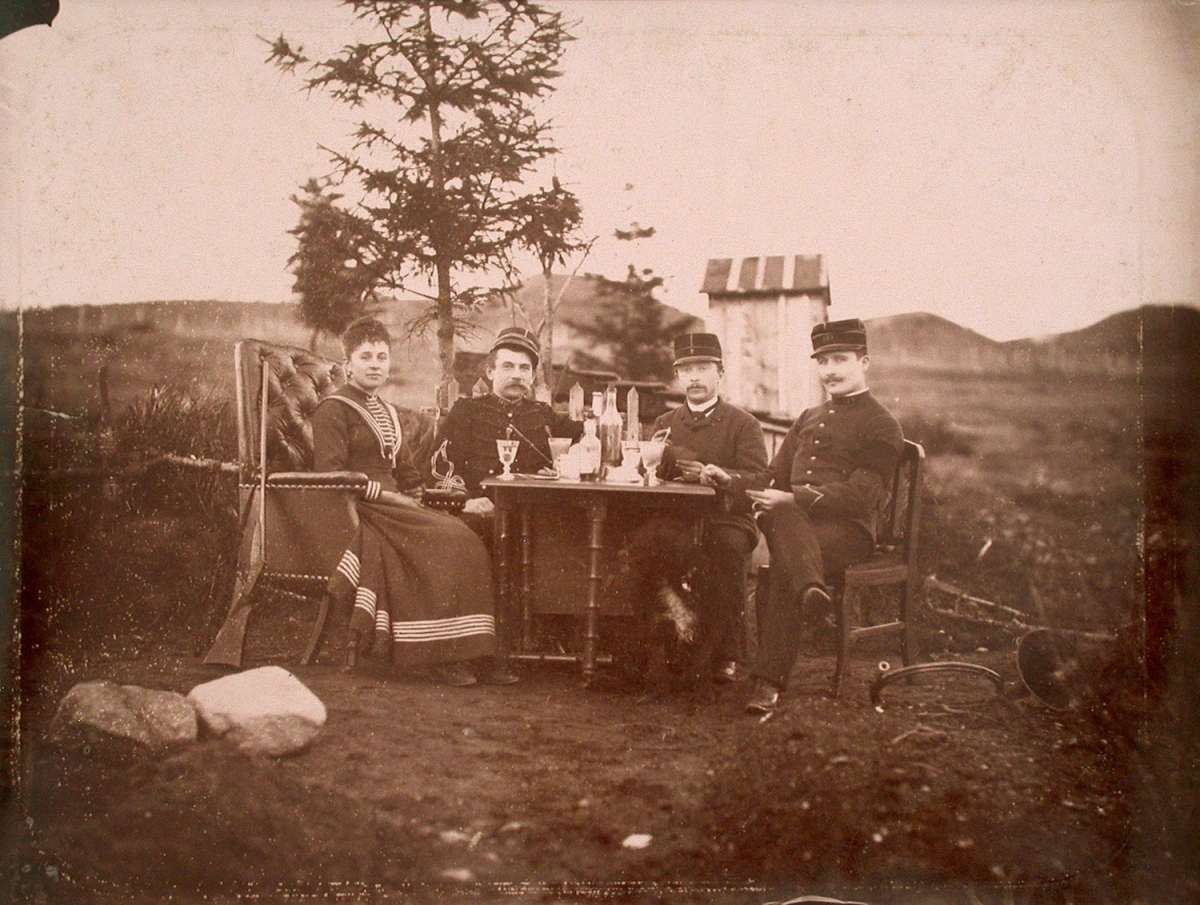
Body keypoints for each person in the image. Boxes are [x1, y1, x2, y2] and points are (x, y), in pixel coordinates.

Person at [311, 316, 516, 687]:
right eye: (366, 357)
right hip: (361, 508)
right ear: (347, 365)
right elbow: (331, 475)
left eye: (382, 357)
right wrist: (389, 497)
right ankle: (432, 656)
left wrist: (420, 497)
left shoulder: (387, 410)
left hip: (397, 506)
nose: (376, 364)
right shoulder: (333, 410)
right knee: (448, 541)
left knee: (462, 533)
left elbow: (406, 471)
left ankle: (471, 651)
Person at [744, 318, 904, 714]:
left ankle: (768, 683)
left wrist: (792, 498)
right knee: (782, 522)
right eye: (824, 361)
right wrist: (726, 478)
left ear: (863, 362)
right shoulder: (808, 417)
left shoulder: (882, 424)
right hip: (795, 529)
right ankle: (809, 592)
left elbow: (862, 497)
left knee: (784, 541)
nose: (830, 370)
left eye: (840, 360)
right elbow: (771, 478)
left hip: (848, 533)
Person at [633, 332, 770, 683]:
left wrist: (721, 478)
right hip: (675, 517)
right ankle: (653, 643)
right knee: (644, 544)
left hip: (727, 517)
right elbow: (647, 471)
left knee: (726, 549)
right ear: (678, 377)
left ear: (720, 373)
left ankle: (727, 653)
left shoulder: (743, 423)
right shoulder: (665, 424)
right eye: (686, 369)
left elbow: (758, 480)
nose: (694, 377)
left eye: (703, 368)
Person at [434, 326, 581, 534]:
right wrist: (465, 501)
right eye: (508, 366)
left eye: (524, 368)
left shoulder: (543, 414)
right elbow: (441, 464)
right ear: (490, 372)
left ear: (531, 377)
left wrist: (568, 461)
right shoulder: (467, 411)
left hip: (534, 516)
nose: (516, 375)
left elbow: (582, 437)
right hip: (480, 515)